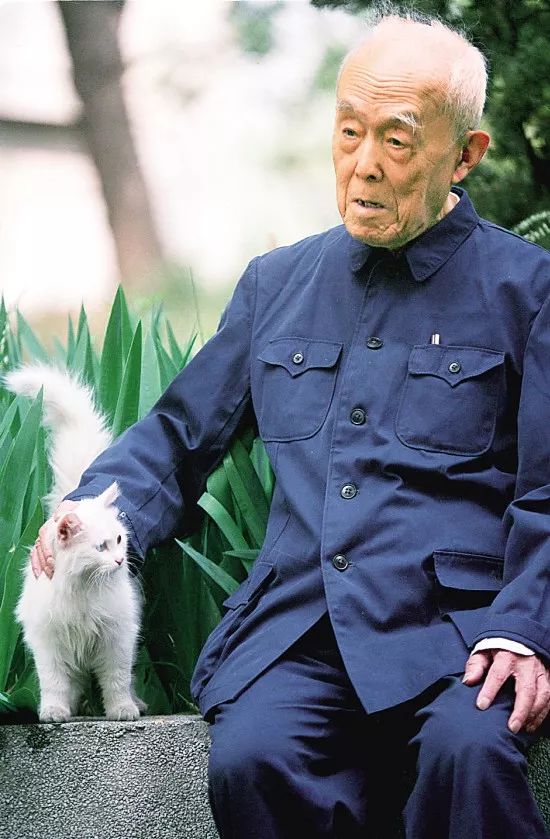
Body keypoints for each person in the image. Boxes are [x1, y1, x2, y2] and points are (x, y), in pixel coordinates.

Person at [33, 8, 550, 838]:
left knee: (470, 752)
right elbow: (178, 436)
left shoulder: (528, 290)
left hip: (454, 637)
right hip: (301, 635)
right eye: (348, 132)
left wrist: (524, 629)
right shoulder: (276, 284)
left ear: (465, 154)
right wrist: (85, 513)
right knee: (252, 758)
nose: (364, 164)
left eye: (396, 139)